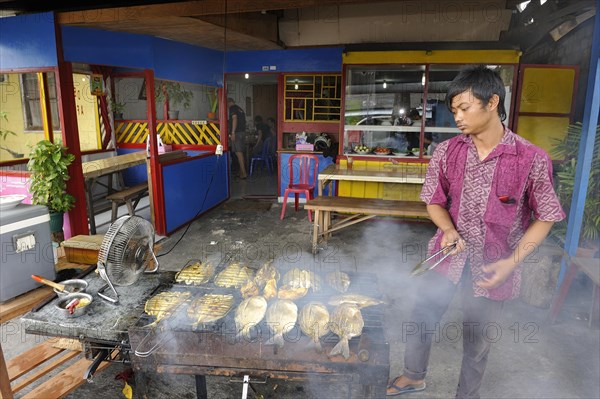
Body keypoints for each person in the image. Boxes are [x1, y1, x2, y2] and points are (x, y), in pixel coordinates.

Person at [386, 65, 565, 398]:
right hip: (446, 255)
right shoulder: (447, 152)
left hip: (493, 265)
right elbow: (434, 202)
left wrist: (512, 262)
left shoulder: (531, 159)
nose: (457, 117)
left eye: (464, 108)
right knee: (421, 316)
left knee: (478, 338)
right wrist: (447, 229)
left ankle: (467, 396)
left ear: (492, 101)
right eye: (454, 110)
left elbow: (547, 217)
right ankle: (413, 376)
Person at [228, 97, 247, 179]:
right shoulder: (240, 109)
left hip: (237, 133)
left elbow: (234, 119)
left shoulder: (232, 108)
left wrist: (233, 132)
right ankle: (241, 172)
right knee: (240, 153)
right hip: (242, 132)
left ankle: (244, 173)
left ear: (228, 103)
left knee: (238, 153)